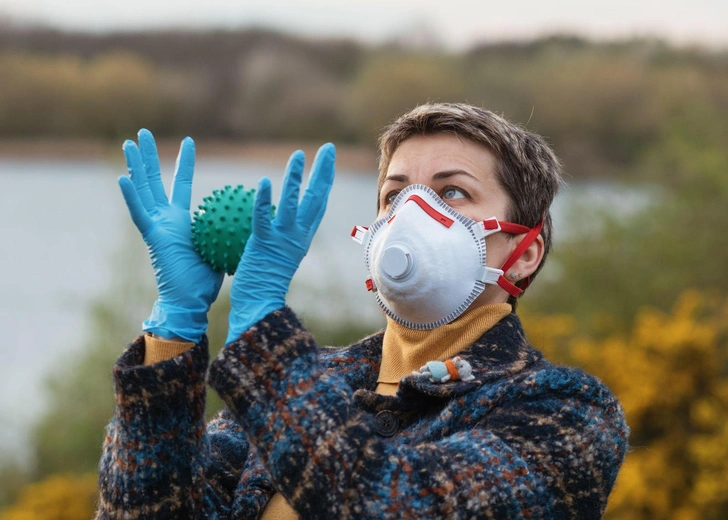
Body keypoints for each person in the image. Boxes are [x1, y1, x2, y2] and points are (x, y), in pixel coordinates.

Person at [96, 103, 628, 519]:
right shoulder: (310, 381)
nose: (412, 215)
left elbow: (391, 504)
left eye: (453, 192)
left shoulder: (566, 415)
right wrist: (175, 330)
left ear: (524, 253)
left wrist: (261, 325)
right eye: (394, 196)